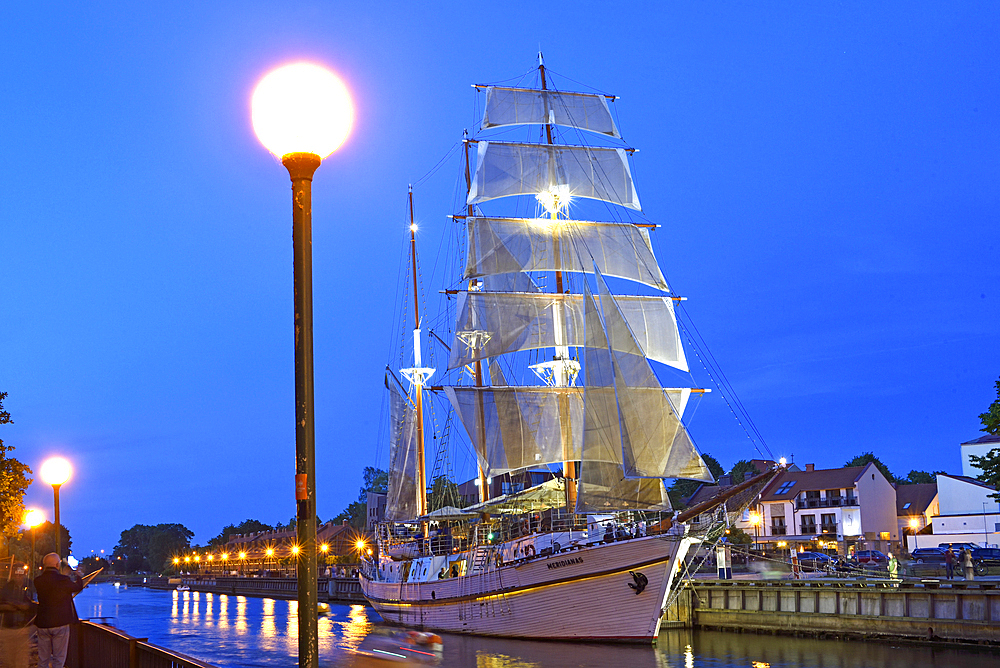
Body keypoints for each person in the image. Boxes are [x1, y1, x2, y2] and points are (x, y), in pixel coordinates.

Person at [34, 553, 83, 668]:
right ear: (57, 565)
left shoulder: (38, 581)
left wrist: (64, 576)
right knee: (58, 659)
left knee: (43, 659)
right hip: (60, 623)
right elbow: (77, 587)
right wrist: (78, 575)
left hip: (43, 623)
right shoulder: (64, 581)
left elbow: (53, 584)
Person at [0, 563, 37, 668]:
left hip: (23, 628)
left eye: (20, 574)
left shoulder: (30, 587)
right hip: (8, 628)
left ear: (25, 574)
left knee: (21, 661)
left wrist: (25, 606)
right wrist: (9, 606)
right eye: (16, 574)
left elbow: (35, 605)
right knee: (8, 661)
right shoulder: (6, 587)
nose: (18, 577)